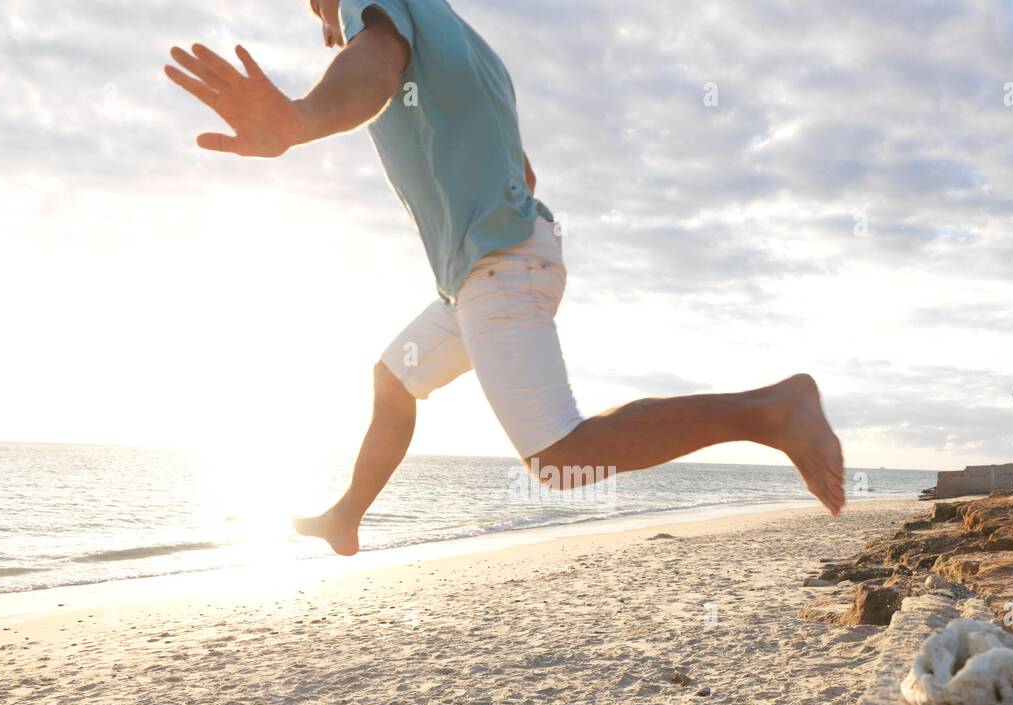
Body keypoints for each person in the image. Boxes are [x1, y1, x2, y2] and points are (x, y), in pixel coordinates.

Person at [165, 0, 845, 556]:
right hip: (489, 265)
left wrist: (300, 117)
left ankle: (773, 410)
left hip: (499, 263)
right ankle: (346, 516)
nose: (324, 22)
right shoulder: (463, 42)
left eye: (320, 5)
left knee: (556, 457)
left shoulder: (380, 23)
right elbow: (523, 172)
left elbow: (371, 69)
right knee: (394, 376)